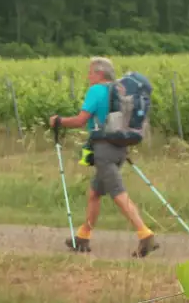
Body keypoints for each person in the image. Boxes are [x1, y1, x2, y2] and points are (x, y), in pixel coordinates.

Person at [49, 57, 159, 258]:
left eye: (90, 72)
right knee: (94, 193)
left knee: (117, 192)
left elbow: (81, 120)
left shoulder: (97, 90)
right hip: (120, 147)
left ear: (99, 73)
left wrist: (59, 121)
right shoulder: (118, 91)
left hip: (104, 149)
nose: (88, 76)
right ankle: (83, 236)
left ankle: (145, 235)